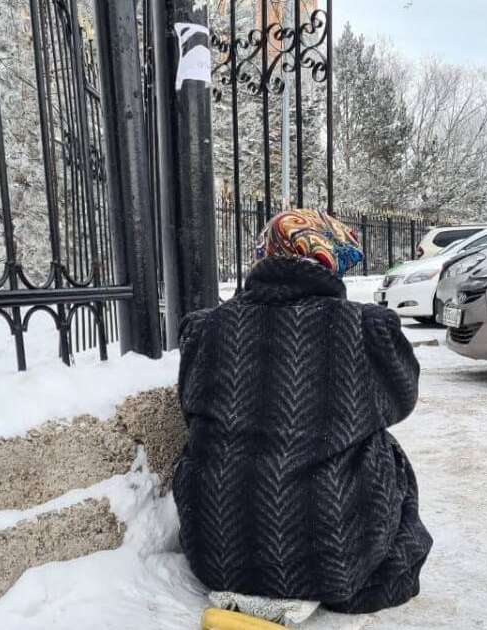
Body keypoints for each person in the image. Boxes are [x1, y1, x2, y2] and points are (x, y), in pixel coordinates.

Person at [174, 209, 432, 628]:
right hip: (334, 556)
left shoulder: (207, 327)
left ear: (265, 253)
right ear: (327, 255)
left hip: (216, 552)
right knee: (385, 447)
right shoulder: (366, 327)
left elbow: (191, 408)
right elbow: (400, 403)